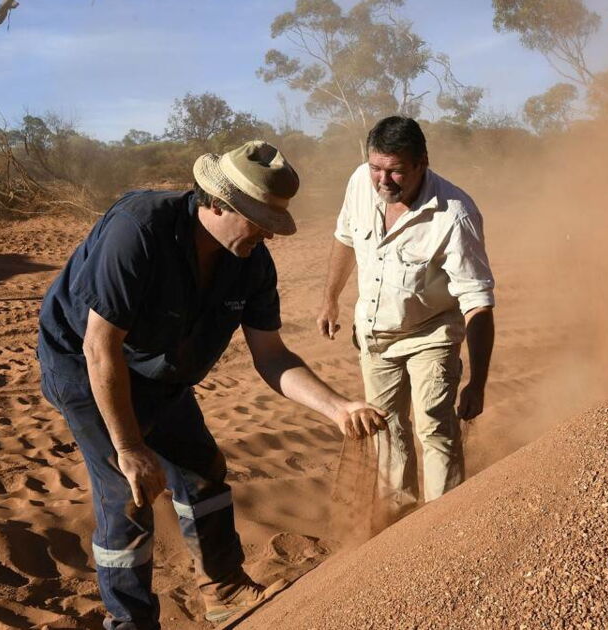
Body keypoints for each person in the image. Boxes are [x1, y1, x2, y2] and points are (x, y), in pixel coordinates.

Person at [37, 140, 385, 629]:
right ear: (217, 203)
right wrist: (130, 447)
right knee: (128, 493)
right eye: (258, 219)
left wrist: (337, 407)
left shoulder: (251, 262)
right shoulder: (138, 231)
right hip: (85, 365)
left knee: (202, 469)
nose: (268, 232)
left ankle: (224, 589)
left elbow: (272, 356)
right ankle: (131, 623)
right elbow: (100, 347)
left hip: (161, 370)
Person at [316, 116, 496, 522]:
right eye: (376, 168)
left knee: (434, 426)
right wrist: (330, 299)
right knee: (386, 431)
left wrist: (477, 383)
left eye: (396, 170)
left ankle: (442, 523)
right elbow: (345, 238)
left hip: (431, 334)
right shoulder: (359, 182)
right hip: (375, 336)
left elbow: (478, 304)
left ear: (421, 163)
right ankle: (399, 527)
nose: (383, 180)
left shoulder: (454, 214)